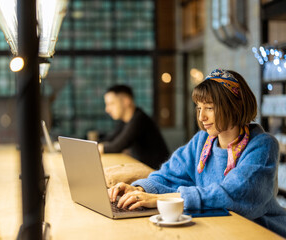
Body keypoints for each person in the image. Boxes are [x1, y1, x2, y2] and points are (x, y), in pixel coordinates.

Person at [108, 69, 286, 237]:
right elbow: (169, 176)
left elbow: (235, 193)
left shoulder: (263, 145)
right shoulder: (202, 141)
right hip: (218, 229)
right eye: (199, 108)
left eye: (209, 108)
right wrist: (140, 189)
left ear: (233, 107)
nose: (201, 117)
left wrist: (160, 200)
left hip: (261, 231)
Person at [98, 84, 169, 170]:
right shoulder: (126, 121)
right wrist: (95, 144)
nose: (107, 109)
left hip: (157, 173)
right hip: (146, 169)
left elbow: (117, 146)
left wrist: (97, 148)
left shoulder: (139, 118)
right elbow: (110, 139)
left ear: (126, 101)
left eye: (111, 104)